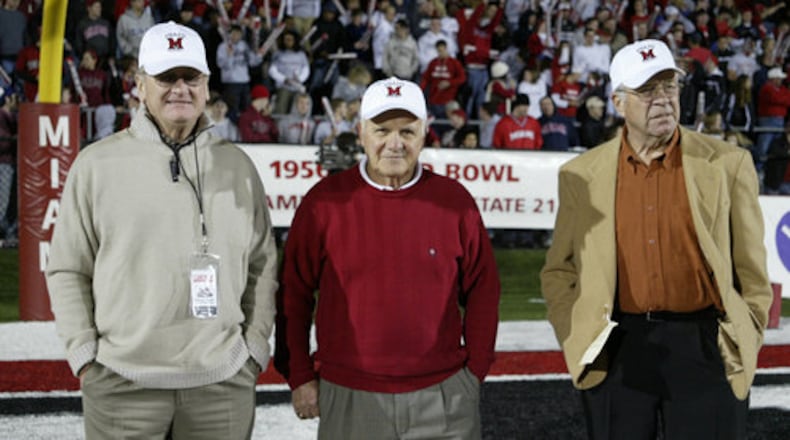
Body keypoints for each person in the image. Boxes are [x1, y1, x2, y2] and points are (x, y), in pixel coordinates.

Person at [46, 22, 279, 439]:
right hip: (121, 382)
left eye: (190, 77)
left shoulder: (238, 166)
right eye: (166, 77)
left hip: (221, 384)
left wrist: (254, 350)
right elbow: (67, 267)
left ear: (207, 86)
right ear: (140, 84)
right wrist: (85, 354)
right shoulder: (96, 165)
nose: (179, 88)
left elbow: (263, 264)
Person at [541, 39, 773, 439]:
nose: (663, 100)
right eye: (648, 90)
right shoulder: (580, 175)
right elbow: (560, 269)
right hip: (616, 349)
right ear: (618, 102)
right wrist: (576, 333)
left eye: (669, 87)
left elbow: (751, 270)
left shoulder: (728, 164)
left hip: (706, 345)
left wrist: (744, 334)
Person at [274, 77, 501, 440]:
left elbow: (483, 290)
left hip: (443, 396)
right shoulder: (323, 203)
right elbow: (293, 294)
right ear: (361, 133)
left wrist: (473, 372)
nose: (395, 144)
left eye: (407, 132)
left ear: (425, 133)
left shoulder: (454, 201)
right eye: (382, 130)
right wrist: (299, 374)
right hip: (349, 394)